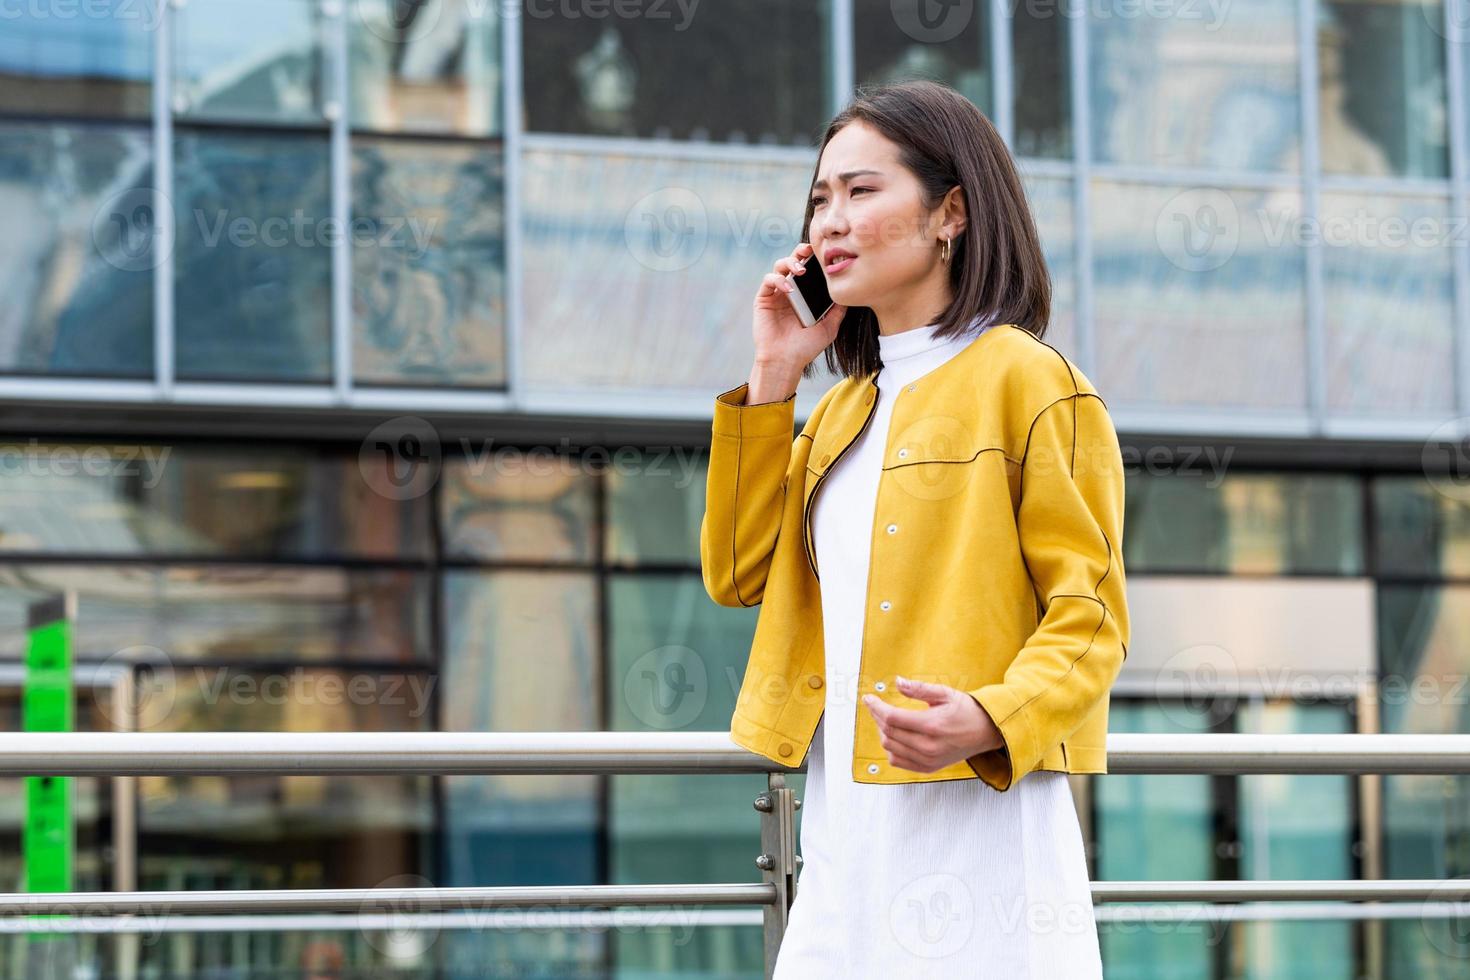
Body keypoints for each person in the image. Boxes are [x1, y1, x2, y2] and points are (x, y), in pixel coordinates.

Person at [699, 80, 1130, 976]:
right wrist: (775, 373)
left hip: (979, 833)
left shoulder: (1031, 382)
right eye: (820, 199)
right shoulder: (838, 412)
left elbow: (1091, 619)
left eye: (861, 192)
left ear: (952, 213)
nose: (830, 222)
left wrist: (990, 716)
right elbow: (737, 574)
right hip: (843, 844)